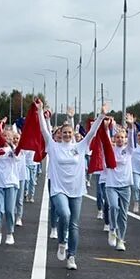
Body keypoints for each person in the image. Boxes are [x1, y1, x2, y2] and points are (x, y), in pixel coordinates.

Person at [37, 102, 108, 269]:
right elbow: (43, 130)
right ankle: (62, 242)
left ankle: (72, 256)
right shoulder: (53, 146)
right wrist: (40, 111)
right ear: (60, 134)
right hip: (58, 189)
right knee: (64, 214)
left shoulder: (80, 146)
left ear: (74, 134)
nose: (67, 135)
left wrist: (102, 115)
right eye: (64, 133)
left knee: (74, 224)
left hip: (76, 190)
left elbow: (92, 132)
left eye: (70, 132)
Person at [102, 114, 135, 252]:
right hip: (111, 185)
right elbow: (105, 141)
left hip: (126, 185)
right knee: (114, 207)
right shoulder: (110, 150)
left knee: (123, 214)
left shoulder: (128, 151)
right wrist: (105, 128)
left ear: (125, 139)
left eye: (122, 137)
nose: (120, 139)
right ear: (114, 139)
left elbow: (132, 141)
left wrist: (131, 126)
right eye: (118, 137)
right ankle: (112, 229)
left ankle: (121, 239)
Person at [0, 121, 23, 246]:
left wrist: (12, 145)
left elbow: (17, 157)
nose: (7, 138)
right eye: (5, 136)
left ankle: (10, 233)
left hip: (11, 183)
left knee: (9, 210)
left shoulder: (15, 150)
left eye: (10, 137)